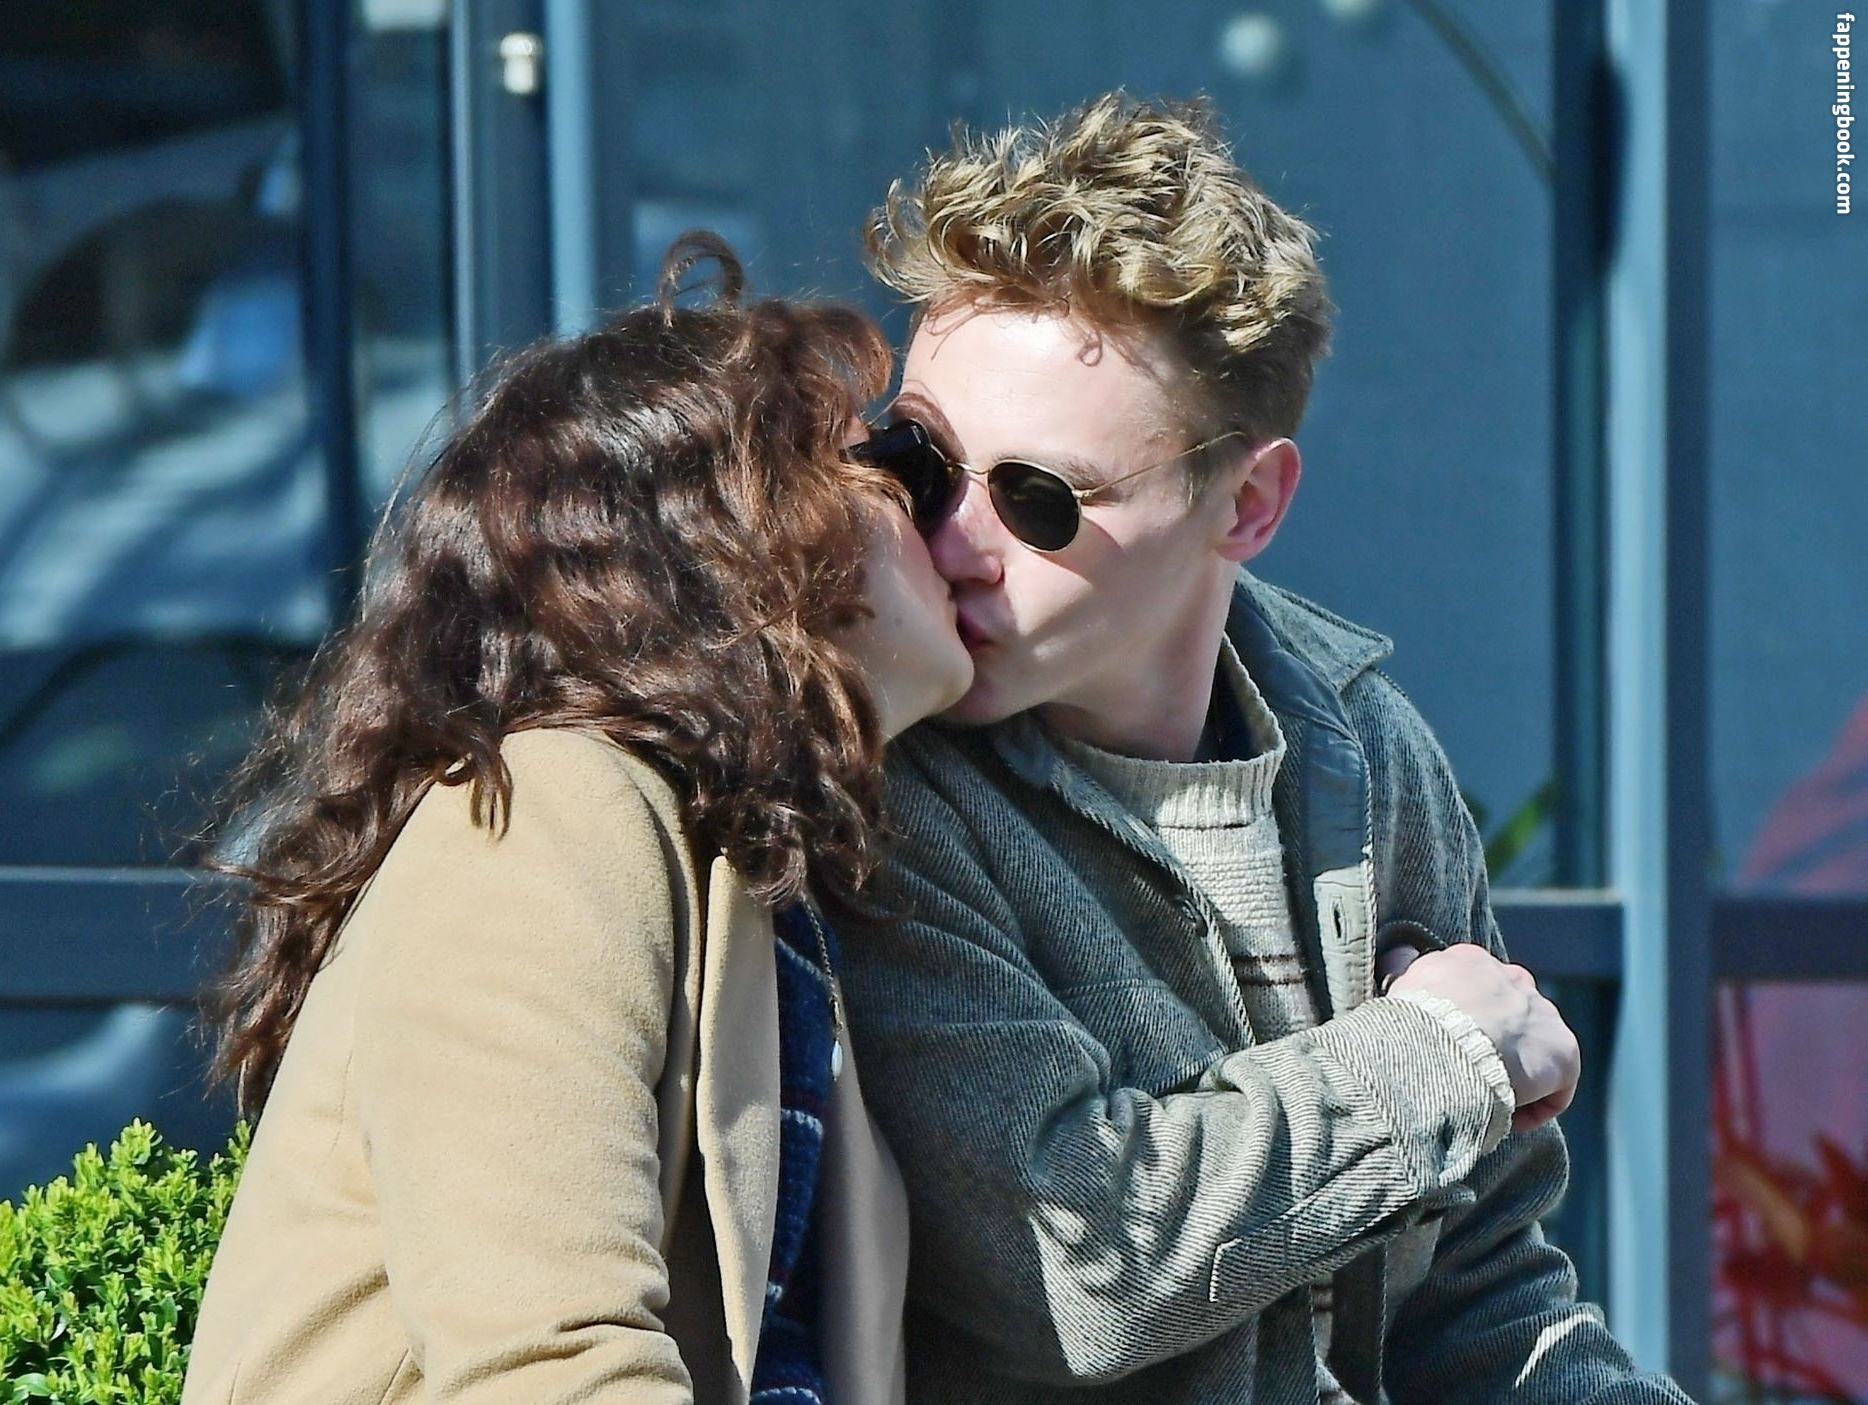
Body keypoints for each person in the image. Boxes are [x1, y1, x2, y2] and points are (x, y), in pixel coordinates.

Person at [832, 93, 1693, 1403]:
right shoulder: (886, 785)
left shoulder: (1368, 756)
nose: (953, 540)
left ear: (1246, 503)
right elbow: (1080, 1266)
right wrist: (1434, 1056)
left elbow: (1476, 1293)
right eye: (922, 461)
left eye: (1039, 498)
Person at [181, 233, 971, 1405]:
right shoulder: (543, 815)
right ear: (740, 527)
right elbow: (548, 1367)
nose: (956, 524)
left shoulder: (758, 879)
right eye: (897, 466)